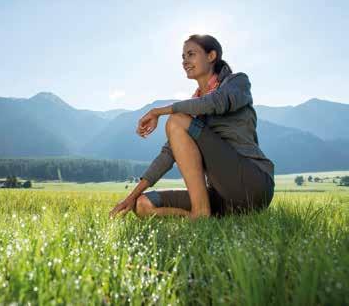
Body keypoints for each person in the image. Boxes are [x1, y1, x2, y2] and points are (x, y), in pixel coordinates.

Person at [109, 34, 275, 220]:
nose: (185, 61)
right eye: (183, 57)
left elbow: (217, 102)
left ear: (211, 56)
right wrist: (131, 197)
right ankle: (204, 214)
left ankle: (200, 213)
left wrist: (159, 111)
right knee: (143, 205)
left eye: (191, 54)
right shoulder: (194, 106)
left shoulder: (237, 82)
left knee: (177, 119)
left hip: (253, 185)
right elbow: (168, 154)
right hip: (223, 197)